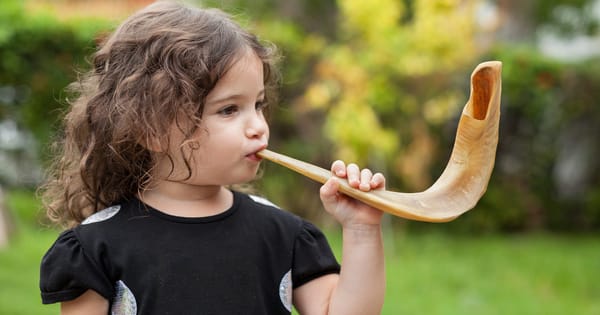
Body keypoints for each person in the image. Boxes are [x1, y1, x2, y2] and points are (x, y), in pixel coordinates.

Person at [39, 1, 385, 314]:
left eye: (258, 104)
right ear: (152, 130)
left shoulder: (283, 232)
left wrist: (361, 230)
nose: (258, 127)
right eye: (229, 109)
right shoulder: (96, 247)